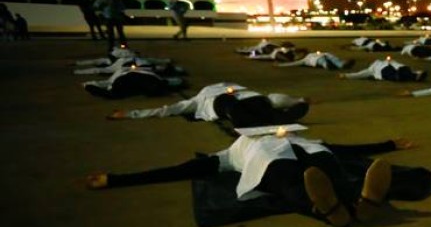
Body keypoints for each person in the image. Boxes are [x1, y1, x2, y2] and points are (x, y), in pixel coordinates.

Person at [85, 133, 411, 227]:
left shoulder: (252, 143)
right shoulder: (232, 149)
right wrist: (117, 179)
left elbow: (343, 145)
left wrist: (387, 145)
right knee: (305, 178)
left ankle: (340, 206)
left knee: (321, 171)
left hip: (299, 155)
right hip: (275, 161)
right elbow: (183, 168)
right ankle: (353, 202)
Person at [106, 82, 309, 126]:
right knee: (258, 104)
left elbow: (168, 109)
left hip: (243, 100)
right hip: (240, 101)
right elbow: (167, 110)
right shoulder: (200, 98)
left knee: (261, 105)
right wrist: (132, 114)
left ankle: (277, 118)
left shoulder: (205, 95)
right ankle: (278, 118)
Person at [83, 67, 185, 99]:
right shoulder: (155, 78)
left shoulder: (153, 75)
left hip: (126, 79)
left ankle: (90, 86)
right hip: (127, 80)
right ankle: (90, 86)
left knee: (114, 92)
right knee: (114, 93)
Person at [339, 58, 427, 82]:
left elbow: (359, 74)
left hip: (387, 70)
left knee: (402, 72)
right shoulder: (371, 69)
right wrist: (347, 75)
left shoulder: (371, 69)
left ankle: (415, 76)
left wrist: (346, 75)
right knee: (403, 72)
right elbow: (360, 74)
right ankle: (415, 76)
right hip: (390, 69)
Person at [274, 51, 354, 71]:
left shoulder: (310, 54)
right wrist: (280, 65)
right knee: (323, 61)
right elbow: (292, 64)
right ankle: (329, 65)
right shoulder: (304, 60)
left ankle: (342, 64)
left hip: (325, 55)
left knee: (333, 58)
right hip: (318, 59)